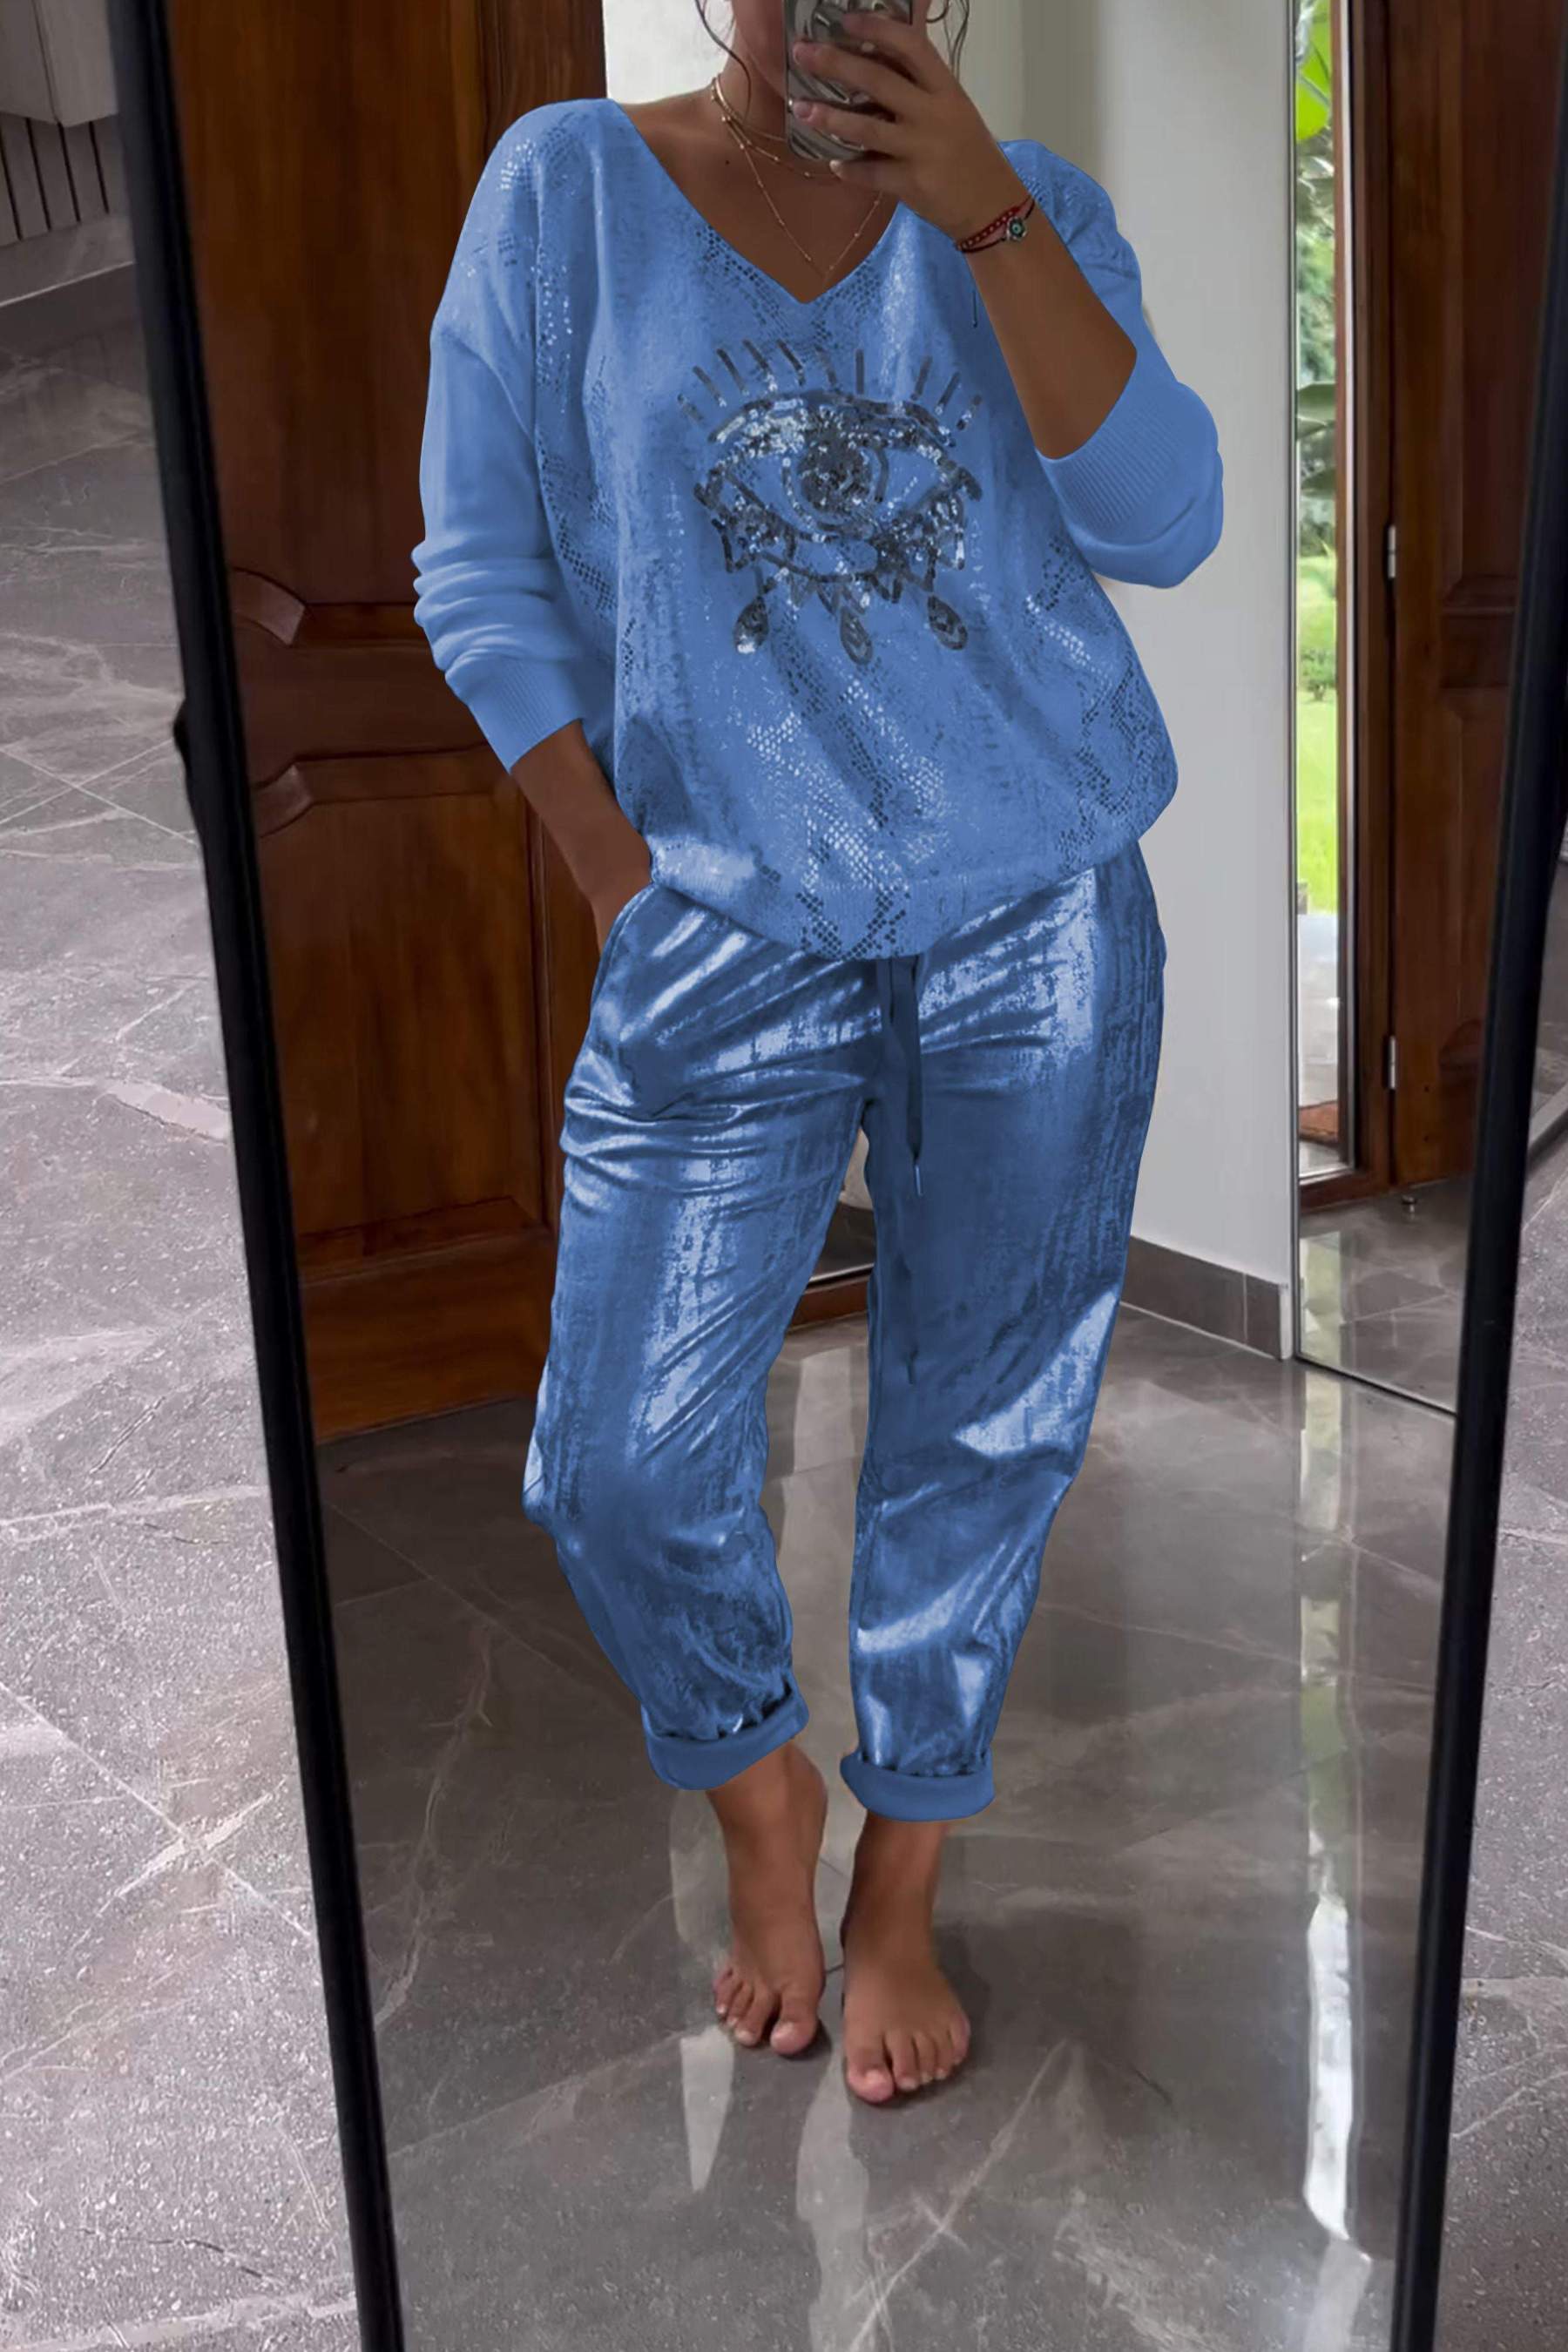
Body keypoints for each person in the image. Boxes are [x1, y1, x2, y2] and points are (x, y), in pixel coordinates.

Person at [410, 0, 1222, 2107]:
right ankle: (760, 1793)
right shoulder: (568, 192)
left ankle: (901, 1882)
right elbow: (478, 567)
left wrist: (983, 214)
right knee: (616, 1458)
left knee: (986, 1426)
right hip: (719, 919)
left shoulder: (1037, 213)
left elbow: (1168, 522)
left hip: (1036, 907)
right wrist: (619, 879)